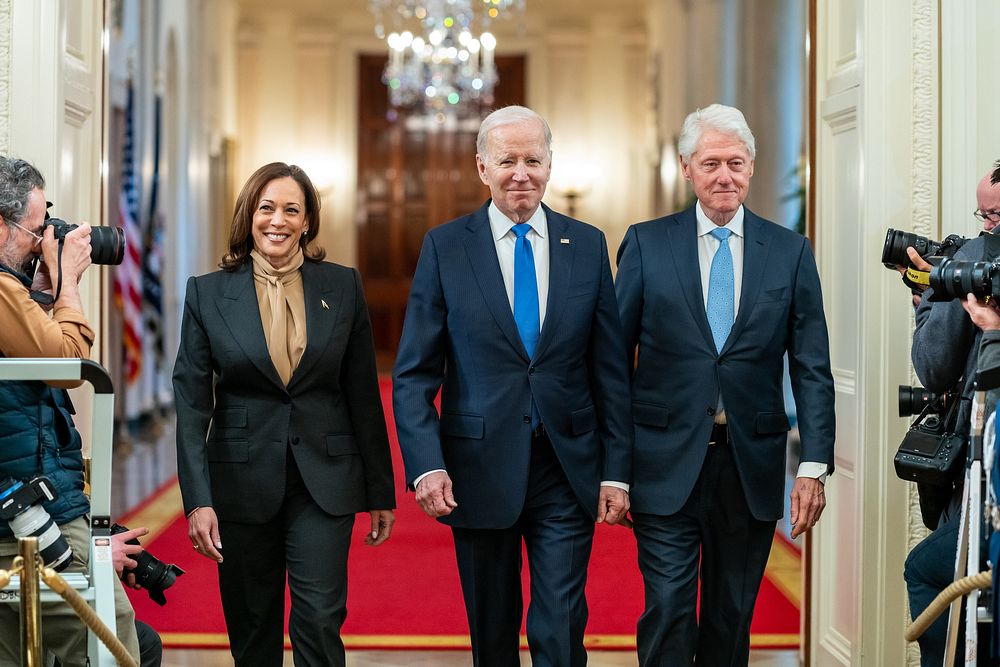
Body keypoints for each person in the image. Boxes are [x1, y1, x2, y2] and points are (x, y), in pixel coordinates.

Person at [392, 105, 633, 667]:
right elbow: (413, 374)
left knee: (561, 624)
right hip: (476, 470)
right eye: (507, 160)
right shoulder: (445, 248)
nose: (520, 172)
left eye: (533, 159)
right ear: (482, 167)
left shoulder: (588, 244)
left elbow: (611, 372)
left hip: (566, 465)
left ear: (550, 165)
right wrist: (426, 464)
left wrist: (617, 470)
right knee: (492, 634)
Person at [614, 103, 836, 666]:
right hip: (662, 462)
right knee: (666, 607)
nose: (724, 176)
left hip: (750, 467)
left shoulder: (789, 252)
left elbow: (811, 364)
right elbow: (612, 362)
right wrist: (611, 468)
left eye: (735, 163)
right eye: (710, 163)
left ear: (752, 168)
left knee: (731, 618)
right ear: (687, 168)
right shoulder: (646, 244)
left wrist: (812, 465)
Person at [172, 162, 396, 666]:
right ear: (249, 213)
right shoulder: (207, 293)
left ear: (308, 221)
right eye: (267, 207)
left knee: (318, 619)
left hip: (325, 477)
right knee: (253, 629)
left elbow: (362, 394)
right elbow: (190, 404)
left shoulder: (342, 286)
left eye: (292, 209)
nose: (278, 220)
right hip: (241, 482)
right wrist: (196, 500)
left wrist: (380, 490)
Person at [0, 155, 140, 664]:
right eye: (35, 230)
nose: (43, 243)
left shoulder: (12, 290)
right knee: (110, 637)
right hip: (25, 506)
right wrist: (69, 283)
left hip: (27, 494)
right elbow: (67, 367)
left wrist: (39, 296)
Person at [904, 162, 1000, 666]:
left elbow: (933, 368)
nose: (988, 229)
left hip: (984, 470)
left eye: (996, 216)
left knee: (927, 570)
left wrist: (927, 296)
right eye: (982, 216)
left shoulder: (977, 260)